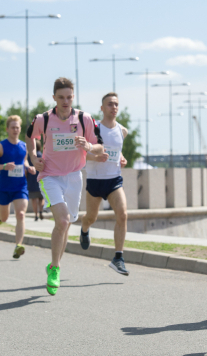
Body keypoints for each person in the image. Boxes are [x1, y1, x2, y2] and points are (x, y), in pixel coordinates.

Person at [26, 77, 104, 296]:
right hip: (50, 176)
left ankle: (53, 265)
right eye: (61, 97)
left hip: (74, 177)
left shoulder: (84, 118)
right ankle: (56, 268)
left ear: (73, 97)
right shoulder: (43, 119)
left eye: (69, 97)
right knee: (61, 220)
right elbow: (30, 136)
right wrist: (33, 156)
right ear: (54, 98)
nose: (65, 101)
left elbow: (100, 146)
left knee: (67, 224)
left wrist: (88, 145)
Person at [80, 92, 131, 275]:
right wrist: (95, 156)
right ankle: (85, 229)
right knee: (91, 217)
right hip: (95, 180)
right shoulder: (94, 129)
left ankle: (118, 257)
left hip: (114, 180)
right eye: (110, 104)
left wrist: (122, 159)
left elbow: (117, 152)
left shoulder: (122, 131)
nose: (114, 107)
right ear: (102, 108)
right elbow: (82, 153)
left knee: (123, 214)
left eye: (116, 104)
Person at [0, 115, 36, 259]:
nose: (15, 129)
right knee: (5, 217)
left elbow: (23, 162)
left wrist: (29, 168)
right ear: (7, 129)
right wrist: (4, 166)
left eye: (18, 127)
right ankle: (0, 217)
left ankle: (18, 245)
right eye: (13, 127)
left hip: (20, 186)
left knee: (20, 214)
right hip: (4, 188)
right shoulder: (0, 146)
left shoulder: (24, 146)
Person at [26, 144, 44, 221]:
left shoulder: (29, 156)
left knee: (34, 199)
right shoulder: (42, 155)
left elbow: (26, 168)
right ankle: (41, 211)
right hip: (41, 180)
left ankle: (36, 215)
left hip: (31, 179)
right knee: (41, 198)